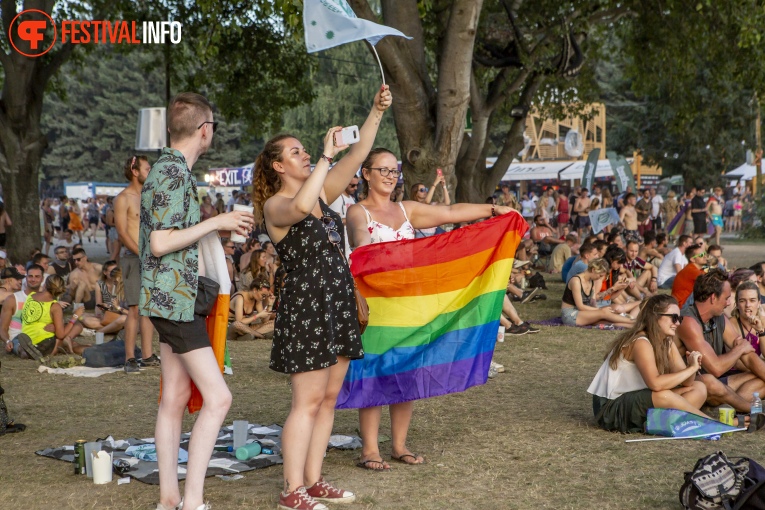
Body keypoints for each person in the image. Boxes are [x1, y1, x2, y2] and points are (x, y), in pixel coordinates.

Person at [252, 85, 391, 509]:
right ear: (278, 165)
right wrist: (326, 156)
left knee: (329, 398)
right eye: (295, 152)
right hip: (306, 308)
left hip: (336, 303)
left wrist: (375, 113)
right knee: (306, 400)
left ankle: (314, 480)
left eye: (304, 150)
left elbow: (356, 156)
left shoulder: (322, 194)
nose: (305, 154)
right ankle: (291, 491)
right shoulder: (276, 205)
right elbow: (300, 207)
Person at [345, 146, 515, 472]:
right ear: (366, 174)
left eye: (394, 171)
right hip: (377, 304)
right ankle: (369, 449)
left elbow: (450, 212)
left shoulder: (408, 209)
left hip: (411, 302)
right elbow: (358, 241)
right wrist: (366, 248)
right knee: (374, 372)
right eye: (382, 170)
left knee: (406, 371)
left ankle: (398, 445)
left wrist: (493, 210)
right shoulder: (358, 212)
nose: (390, 176)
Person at [140, 92, 254, 510]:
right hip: (175, 302)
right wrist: (217, 222)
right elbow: (159, 242)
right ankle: (192, 502)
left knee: (173, 398)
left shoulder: (169, 170)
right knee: (219, 398)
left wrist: (212, 229)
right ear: (205, 130)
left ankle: (170, 499)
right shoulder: (171, 173)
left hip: (169, 299)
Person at [587, 295, 708, 433]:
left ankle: (659, 424)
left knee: (699, 388)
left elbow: (687, 383)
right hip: (610, 408)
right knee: (664, 395)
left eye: (679, 318)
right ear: (655, 317)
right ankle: (708, 422)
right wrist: (691, 368)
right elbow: (655, 384)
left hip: (637, 398)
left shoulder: (666, 340)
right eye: (673, 318)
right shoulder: (640, 342)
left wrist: (692, 367)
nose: (678, 323)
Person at [675, 270, 765, 412]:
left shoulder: (719, 318)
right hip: (685, 385)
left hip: (713, 382)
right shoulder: (688, 321)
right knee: (709, 381)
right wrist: (740, 349)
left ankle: (728, 409)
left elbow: (748, 357)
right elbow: (715, 368)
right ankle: (751, 410)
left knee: (760, 376)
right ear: (713, 298)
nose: (729, 303)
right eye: (727, 298)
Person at [115, 155, 158, 373]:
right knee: (134, 308)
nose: (151, 172)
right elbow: (122, 232)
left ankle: (148, 355)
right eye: (147, 168)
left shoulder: (149, 195)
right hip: (133, 258)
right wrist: (141, 253)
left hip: (152, 257)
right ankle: (130, 357)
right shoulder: (123, 198)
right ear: (135, 171)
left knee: (148, 309)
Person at [12, 275, 86, 360]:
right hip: (46, 343)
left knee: (68, 334)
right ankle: (73, 344)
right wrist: (75, 316)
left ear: (45, 285)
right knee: (71, 333)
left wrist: (55, 326)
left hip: (28, 337)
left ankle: (24, 350)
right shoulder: (55, 306)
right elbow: (60, 334)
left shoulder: (30, 296)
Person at [561, 258, 634, 327]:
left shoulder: (591, 281)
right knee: (604, 313)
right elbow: (580, 306)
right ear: (593, 270)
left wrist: (615, 289)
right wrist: (600, 311)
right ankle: (633, 321)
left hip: (583, 312)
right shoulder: (576, 281)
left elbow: (593, 302)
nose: (600, 278)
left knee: (608, 317)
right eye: (600, 275)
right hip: (571, 314)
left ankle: (632, 326)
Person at [2, 264, 44, 353]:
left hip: (39, 335)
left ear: (42, 279)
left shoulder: (46, 299)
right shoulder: (12, 298)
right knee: (24, 350)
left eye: (37, 276)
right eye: (30, 276)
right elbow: (2, 327)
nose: (33, 279)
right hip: (18, 337)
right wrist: (7, 341)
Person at [78, 262, 128, 335]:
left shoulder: (129, 290)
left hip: (130, 320)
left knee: (123, 318)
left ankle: (98, 332)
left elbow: (134, 314)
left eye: (116, 282)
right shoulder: (114, 287)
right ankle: (114, 329)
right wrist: (108, 308)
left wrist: (118, 308)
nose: (115, 283)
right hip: (116, 316)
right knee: (84, 318)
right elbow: (100, 304)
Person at [730, 282, 765, 357]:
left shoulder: (763, 321)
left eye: (752, 300)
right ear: (737, 304)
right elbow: (737, 363)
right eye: (742, 301)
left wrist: (761, 331)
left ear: (759, 303)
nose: (747, 305)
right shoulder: (730, 324)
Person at [329, 175, 358, 257]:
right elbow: (333, 221)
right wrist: (353, 220)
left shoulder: (351, 198)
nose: (355, 188)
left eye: (357, 185)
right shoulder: (338, 198)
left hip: (349, 238)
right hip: (341, 238)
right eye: (352, 185)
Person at [671, 244, 707, 308]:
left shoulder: (697, 269)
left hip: (685, 302)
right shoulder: (691, 270)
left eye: (704, 253)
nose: (705, 256)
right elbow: (711, 280)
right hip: (682, 305)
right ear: (692, 259)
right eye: (701, 255)